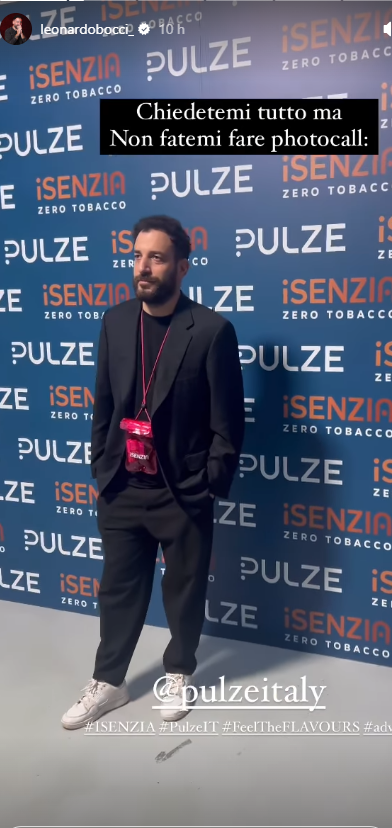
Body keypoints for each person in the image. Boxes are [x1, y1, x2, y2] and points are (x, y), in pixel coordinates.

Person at [61, 215, 245, 730]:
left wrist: (207, 484)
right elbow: (103, 402)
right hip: (122, 484)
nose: (143, 267)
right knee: (117, 590)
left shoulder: (211, 331)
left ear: (182, 267)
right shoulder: (115, 321)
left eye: (157, 257)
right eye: (137, 256)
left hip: (181, 491)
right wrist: (102, 467)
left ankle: (179, 672)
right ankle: (109, 681)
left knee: (184, 591)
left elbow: (228, 424)